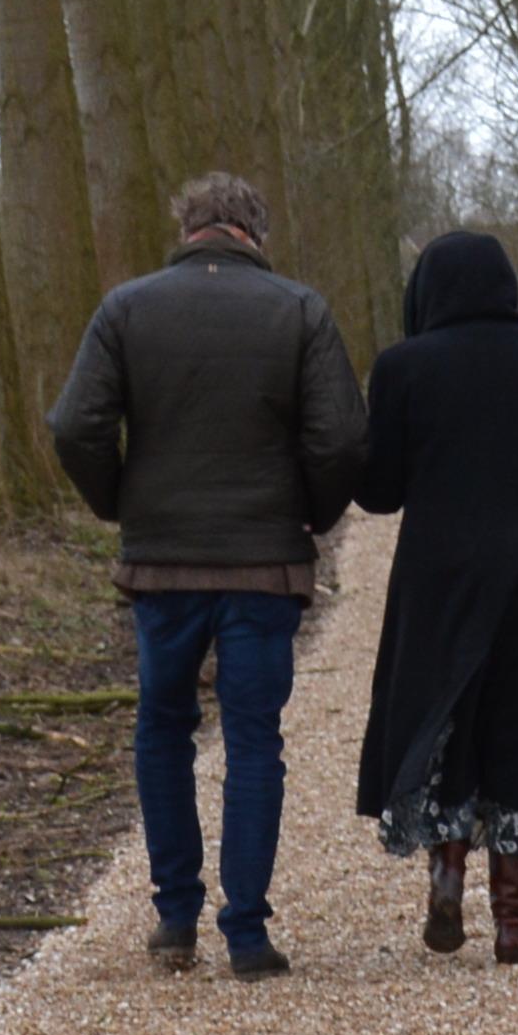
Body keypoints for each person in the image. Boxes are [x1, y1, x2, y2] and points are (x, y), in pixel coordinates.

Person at [44, 169, 367, 977]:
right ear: (256, 233)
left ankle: (175, 917)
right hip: (265, 565)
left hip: (162, 566)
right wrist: (312, 519)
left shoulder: (126, 307)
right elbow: (340, 442)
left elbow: (76, 425)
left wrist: (122, 504)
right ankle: (248, 932)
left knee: (163, 728)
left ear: (187, 228)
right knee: (254, 737)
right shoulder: (300, 310)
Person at [348, 228, 518, 964]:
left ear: (427, 292)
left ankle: (446, 873)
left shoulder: (403, 367)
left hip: (439, 578)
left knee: (446, 715)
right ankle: (512, 921)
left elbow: (377, 493)